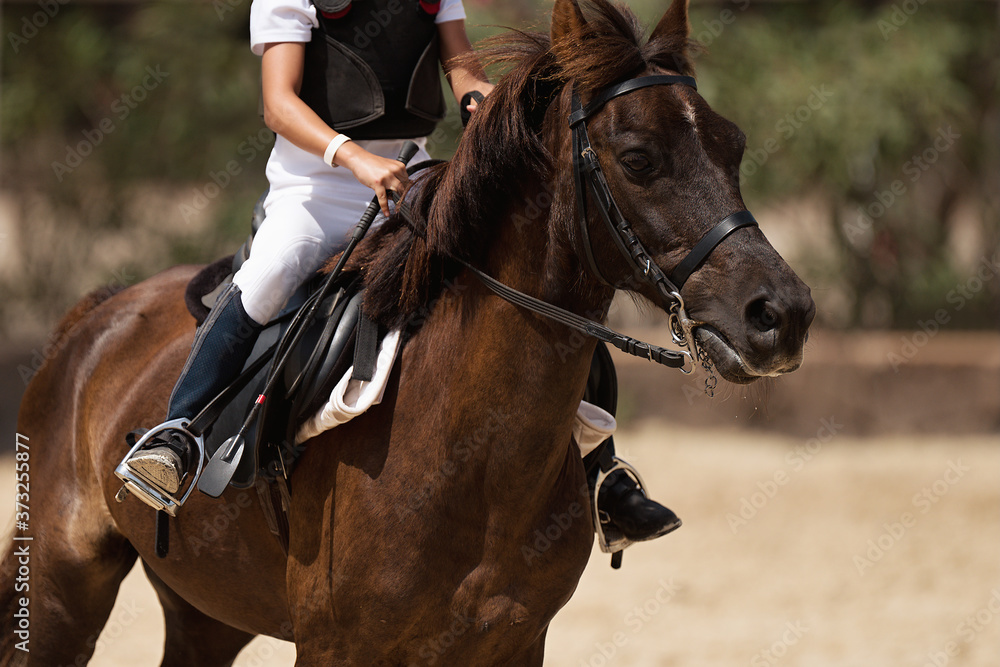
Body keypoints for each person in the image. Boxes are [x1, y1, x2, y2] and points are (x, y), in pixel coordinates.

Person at [119, 0, 680, 545]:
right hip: (315, 186)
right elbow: (278, 104)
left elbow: (460, 65)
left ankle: (600, 472)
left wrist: (482, 102)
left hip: (409, 176)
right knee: (273, 271)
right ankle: (178, 433)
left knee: (531, 272)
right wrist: (355, 158)